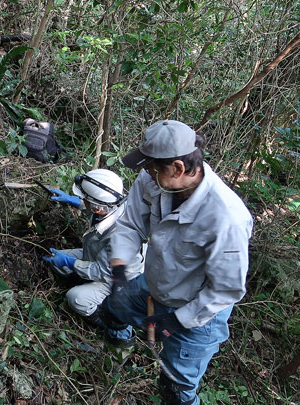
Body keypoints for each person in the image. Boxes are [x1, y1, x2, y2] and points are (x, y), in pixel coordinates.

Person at [101, 120, 252, 405]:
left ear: (179, 168)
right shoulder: (154, 181)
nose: (146, 174)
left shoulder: (226, 217)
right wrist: (119, 271)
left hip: (198, 311)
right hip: (155, 283)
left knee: (175, 391)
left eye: (152, 168)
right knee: (113, 307)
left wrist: (175, 321)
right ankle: (118, 355)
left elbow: (227, 289)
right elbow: (131, 225)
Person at [42, 169, 145, 327]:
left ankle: (111, 321)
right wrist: (73, 201)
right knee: (56, 264)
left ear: (97, 207)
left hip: (117, 279)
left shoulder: (120, 236)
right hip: (99, 257)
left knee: (76, 298)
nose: (82, 200)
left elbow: (101, 271)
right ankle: (83, 281)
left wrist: (70, 263)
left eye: (84, 199)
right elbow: (98, 210)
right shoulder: (114, 204)